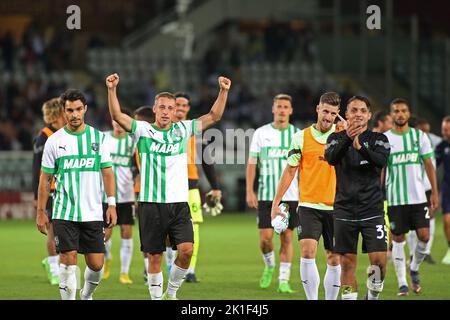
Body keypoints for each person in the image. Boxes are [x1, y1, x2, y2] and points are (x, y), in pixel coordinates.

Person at [106, 73, 231, 300]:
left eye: (170, 108)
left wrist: (223, 91)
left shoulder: (183, 130)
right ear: (154, 109)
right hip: (151, 204)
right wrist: (112, 90)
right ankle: (156, 298)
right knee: (154, 257)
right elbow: (116, 115)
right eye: (161, 107)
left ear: (175, 111)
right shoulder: (143, 130)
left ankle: (171, 293)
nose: (165, 111)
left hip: (179, 204)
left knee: (186, 250)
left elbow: (214, 115)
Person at [36, 89, 117, 300]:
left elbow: (108, 174)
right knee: (68, 258)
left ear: (85, 109)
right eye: (70, 110)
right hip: (64, 211)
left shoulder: (98, 138)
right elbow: (44, 180)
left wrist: (112, 205)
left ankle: (86, 295)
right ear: (64, 111)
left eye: (78, 109)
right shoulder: (54, 141)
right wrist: (40, 211)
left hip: (92, 212)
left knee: (96, 264)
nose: (74, 114)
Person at [271, 92, 342, 300]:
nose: (328, 116)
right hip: (309, 205)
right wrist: (277, 202)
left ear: (337, 115)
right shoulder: (300, 137)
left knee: (334, 258)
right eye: (325, 111)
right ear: (318, 109)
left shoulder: (342, 137)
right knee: (307, 252)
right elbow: (290, 170)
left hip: (337, 207)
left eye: (333, 113)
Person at [325, 96, 390, 300]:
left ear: (369, 115)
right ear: (346, 114)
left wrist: (360, 146)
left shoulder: (380, 139)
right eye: (354, 110)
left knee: (378, 263)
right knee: (346, 264)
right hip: (344, 210)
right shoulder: (334, 139)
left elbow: (380, 161)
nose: (358, 114)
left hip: (372, 210)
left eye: (363, 110)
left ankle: (372, 296)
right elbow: (331, 158)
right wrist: (347, 139)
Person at [165, 92, 223, 283]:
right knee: (165, 231)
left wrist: (215, 187)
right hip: (167, 187)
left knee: (193, 228)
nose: (180, 108)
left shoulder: (195, 130)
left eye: (184, 105)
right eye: (177, 105)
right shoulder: (162, 128)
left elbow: (207, 160)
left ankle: (189, 270)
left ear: (188, 109)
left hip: (190, 186)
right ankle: (168, 266)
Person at [384, 99, 439, 296]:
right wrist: (379, 195)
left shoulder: (419, 137)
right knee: (398, 239)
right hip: (396, 199)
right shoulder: (385, 138)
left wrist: (434, 192)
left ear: (408, 114)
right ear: (391, 115)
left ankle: (414, 267)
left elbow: (429, 165)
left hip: (418, 198)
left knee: (424, 237)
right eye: (396, 111)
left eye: (403, 111)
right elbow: (381, 170)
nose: (400, 114)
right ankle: (402, 283)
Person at [247, 94, 299, 294]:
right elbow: (252, 163)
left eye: (286, 106)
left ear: (291, 110)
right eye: (279, 106)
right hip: (267, 195)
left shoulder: (297, 135)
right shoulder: (261, 133)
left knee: (287, 238)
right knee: (265, 239)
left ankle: (283, 280)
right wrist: (249, 190)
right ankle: (269, 266)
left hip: (291, 194)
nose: (282, 110)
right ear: (273, 109)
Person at [32, 97, 67, 285]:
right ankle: (54, 268)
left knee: (61, 232)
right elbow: (36, 169)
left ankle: (56, 264)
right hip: (50, 191)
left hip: (62, 189)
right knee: (53, 231)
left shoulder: (65, 134)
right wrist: (37, 198)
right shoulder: (44, 136)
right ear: (58, 113)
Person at [102, 108, 137, 284]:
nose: (119, 124)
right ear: (112, 121)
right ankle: (107, 261)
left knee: (126, 231)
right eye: (116, 121)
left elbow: (138, 167)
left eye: (122, 121)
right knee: (105, 234)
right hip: (106, 195)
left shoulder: (133, 141)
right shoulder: (103, 139)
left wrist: (138, 193)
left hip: (127, 194)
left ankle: (124, 272)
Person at [407, 118, 441, 264]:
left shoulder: (431, 141)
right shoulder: (410, 143)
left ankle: (425, 252)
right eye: (423, 130)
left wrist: (434, 190)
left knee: (430, 219)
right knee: (412, 223)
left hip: (426, 188)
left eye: (427, 131)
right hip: (414, 188)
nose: (425, 133)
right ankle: (411, 254)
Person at [132, 106, 155, 281]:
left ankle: (160, 269)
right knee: (147, 234)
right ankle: (148, 270)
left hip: (163, 195)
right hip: (143, 193)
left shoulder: (151, 139)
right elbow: (135, 171)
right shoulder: (135, 143)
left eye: (137, 120)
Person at [372, 110, 393, 259]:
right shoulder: (371, 140)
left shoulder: (385, 140)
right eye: (389, 122)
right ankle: (386, 251)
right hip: (374, 192)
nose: (391, 126)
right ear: (380, 123)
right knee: (383, 222)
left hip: (380, 191)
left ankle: (387, 250)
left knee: (385, 222)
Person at [435, 116, 450, 264]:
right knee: (447, 221)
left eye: (447, 129)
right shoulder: (441, 147)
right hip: (447, 188)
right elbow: (432, 166)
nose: (444, 131)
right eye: (443, 128)